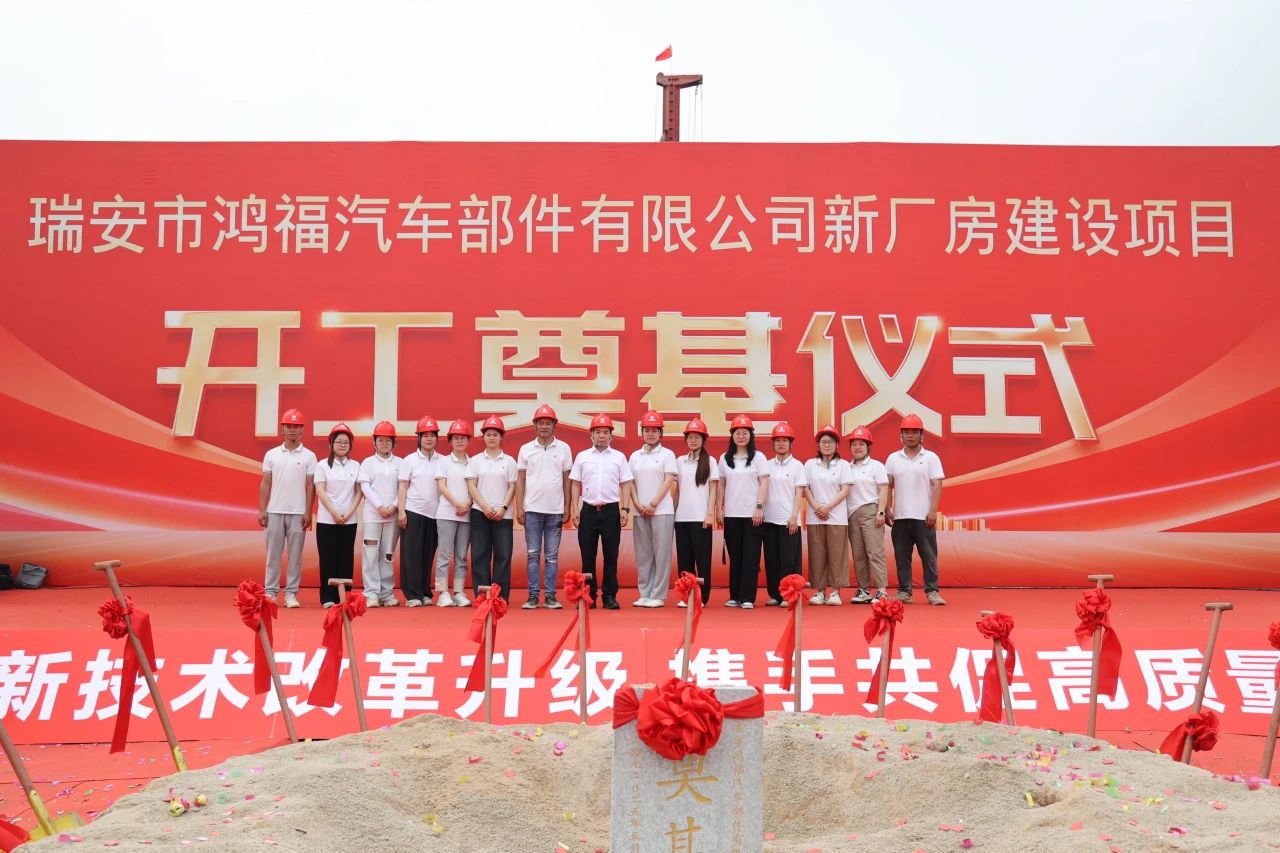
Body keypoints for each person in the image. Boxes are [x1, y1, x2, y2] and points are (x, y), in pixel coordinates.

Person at [569, 413, 634, 610]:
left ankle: (609, 596)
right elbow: (575, 484)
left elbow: (626, 484)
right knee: (587, 557)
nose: (602, 436)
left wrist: (625, 508)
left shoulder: (619, 457)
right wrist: (575, 508)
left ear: (611, 435)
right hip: (588, 511)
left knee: (611, 556)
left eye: (606, 432)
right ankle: (588, 595)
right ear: (592, 435)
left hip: (611, 511)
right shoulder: (582, 457)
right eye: (598, 432)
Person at [514, 404, 572, 610]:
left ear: (554, 425)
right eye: (541, 423)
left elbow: (567, 480)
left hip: (555, 511)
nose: (544, 427)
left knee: (552, 557)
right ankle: (532, 596)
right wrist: (519, 507)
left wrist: (567, 506)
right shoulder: (525, 449)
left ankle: (550, 596)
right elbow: (520, 480)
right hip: (532, 510)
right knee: (532, 554)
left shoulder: (564, 448)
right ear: (535, 425)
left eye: (548, 423)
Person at [885, 413, 946, 605]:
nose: (910, 436)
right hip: (900, 516)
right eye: (906, 432)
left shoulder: (931, 458)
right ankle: (904, 591)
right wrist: (886, 509)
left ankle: (932, 591)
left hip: (923, 516)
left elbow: (937, 484)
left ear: (922, 435)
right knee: (901, 557)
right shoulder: (893, 458)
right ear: (901, 435)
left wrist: (933, 510)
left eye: (914, 432)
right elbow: (887, 486)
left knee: (929, 556)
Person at [259, 408, 316, 608]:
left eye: (296, 426)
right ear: (282, 428)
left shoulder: (309, 456)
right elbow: (265, 483)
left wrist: (308, 511)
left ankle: (291, 594)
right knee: (272, 556)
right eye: (288, 426)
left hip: (298, 513)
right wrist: (262, 509)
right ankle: (271, 592)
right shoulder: (271, 454)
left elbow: (310, 486)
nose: (292, 430)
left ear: (302, 430)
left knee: (295, 557)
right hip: (274, 511)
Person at [717, 414, 769, 609]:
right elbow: (721, 485)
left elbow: (764, 483)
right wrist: (719, 508)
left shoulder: (758, 457)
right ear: (732, 435)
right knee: (735, 556)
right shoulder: (724, 458)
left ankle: (747, 597)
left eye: (745, 433)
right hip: (732, 514)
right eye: (737, 433)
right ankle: (735, 595)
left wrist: (759, 506)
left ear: (751, 435)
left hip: (752, 515)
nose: (741, 436)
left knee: (751, 557)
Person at [629, 411, 678, 607]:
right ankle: (645, 593)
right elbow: (630, 482)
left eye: (654, 430)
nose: (650, 434)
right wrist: (637, 503)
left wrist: (653, 504)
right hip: (639, 511)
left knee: (661, 554)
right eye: (647, 430)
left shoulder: (667, 454)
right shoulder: (635, 456)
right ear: (642, 432)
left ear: (660, 433)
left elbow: (668, 481)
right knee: (643, 554)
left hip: (662, 511)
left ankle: (658, 595)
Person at [466, 415, 518, 601]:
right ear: (483, 437)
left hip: (503, 514)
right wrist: (485, 507)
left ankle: (499, 596)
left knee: (503, 555)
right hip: (480, 513)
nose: (491, 438)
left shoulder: (509, 461)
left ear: (501, 437)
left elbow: (512, 486)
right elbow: (472, 486)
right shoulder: (475, 460)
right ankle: (482, 595)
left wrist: (503, 507)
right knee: (480, 554)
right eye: (488, 434)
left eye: (495, 434)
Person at [313, 422, 362, 609]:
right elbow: (320, 491)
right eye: (339, 441)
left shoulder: (356, 465)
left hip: (349, 520)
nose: (342, 445)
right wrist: (334, 512)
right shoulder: (322, 465)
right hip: (327, 520)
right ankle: (327, 597)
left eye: (346, 442)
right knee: (327, 558)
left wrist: (349, 513)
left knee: (346, 558)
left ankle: (345, 597)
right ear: (331, 444)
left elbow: (358, 492)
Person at [803, 423, 852, 605]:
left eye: (830, 442)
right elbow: (805, 488)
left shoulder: (844, 465)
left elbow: (845, 489)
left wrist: (828, 507)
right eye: (823, 441)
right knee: (817, 555)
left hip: (836, 517)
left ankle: (836, 592)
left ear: (837, 444)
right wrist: (817, 506)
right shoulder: (810, 464)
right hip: (815, 516)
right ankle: (820, 591)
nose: (826, 445)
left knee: (837, 555)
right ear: (818, 444)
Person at [673, 417, 719, 607]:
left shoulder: (711, 461)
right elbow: (677, 490)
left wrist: (710, 514)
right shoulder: (680, 461)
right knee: (684, 560)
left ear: (704, 439)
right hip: (682, 517)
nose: (693, 440)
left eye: (697, 437)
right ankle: (686, 595)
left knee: (703, 560)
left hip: (701, 518)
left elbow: (714, 490)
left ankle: (702, 597)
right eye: (690, 437)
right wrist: (673, 512)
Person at [397, 416, 442, 607]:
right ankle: (412, 594)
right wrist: (401, 512)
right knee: (411, 554)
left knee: (428, 554)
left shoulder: (442, 460)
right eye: (425, 435)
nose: (429, 439)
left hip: (435, 514)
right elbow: (402, 487)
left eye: (432, 435)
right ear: (419, 438)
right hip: (413, 511)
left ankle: (425, 592)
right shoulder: (409, 460)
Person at [761, 422, 807, 607]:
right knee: (772, 559)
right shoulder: (766, 465)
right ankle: (775, 594)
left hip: (789, 520)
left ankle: (790, 595)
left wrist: (794, 516)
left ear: (790, 443)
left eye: (784, 440)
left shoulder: (797, 465)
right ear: (773, 443)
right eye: (777, 440)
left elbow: (799, 492)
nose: (781, 444)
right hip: (769, 519)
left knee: (790, 560)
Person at [357, 420, 402, 607]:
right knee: (370, 554)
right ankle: (371, 593)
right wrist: (379, 506)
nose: (384, 443)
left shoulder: (400, 463)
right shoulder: (368, 463)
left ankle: (386, 594)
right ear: (374, 442)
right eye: (380, 440)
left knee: (387, 554)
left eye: (388, 440)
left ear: (394, 442)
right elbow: (365, 486)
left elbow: (403, 487)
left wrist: (393, 506)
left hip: (392, 515)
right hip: (372, 516)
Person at [845, 425, 889, 604]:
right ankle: (863, 590)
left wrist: (881, 512)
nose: (857, 447)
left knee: (875, 552)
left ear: (868, 446)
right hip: (851, 513)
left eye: (861, 444)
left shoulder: (876, 466)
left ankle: (881, 590)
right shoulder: (846, 467)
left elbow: (884, 489)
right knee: (858, 554)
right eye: (854, 444)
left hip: (871, 510)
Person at [433, 419, 474, 607]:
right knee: (444, 555)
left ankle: (458, 592)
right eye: (456, 438)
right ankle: (442, 593)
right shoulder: (443, 462)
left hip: (466, 515)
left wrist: (467, 504)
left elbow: (475, 488)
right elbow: (442, 487)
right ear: (450, 440)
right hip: (446, 514)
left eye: (463, 438)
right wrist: (457, 504)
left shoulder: (473, 463)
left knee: (461, 556)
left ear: (468, 440)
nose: (459, 441)